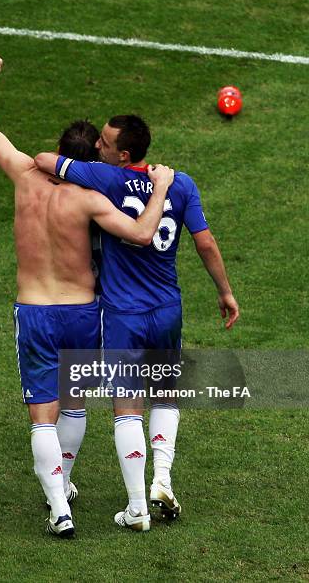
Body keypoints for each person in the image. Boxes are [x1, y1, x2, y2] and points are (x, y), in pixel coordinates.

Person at [0, 57, 175, 538]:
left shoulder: (24, 176)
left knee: (43, 414)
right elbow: (144, 234)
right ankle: (65, 483)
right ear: (88, 161)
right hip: (84, 313)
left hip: (35, 310)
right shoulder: (89, 198)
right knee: (77, 405)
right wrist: (161, 187)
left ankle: (60, 507)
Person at [35, 114, 240, 532]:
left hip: (124, 314)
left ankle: (136, 509)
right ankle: (162, 479)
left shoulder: (104, 180)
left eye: (105, 143)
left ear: (123, 153)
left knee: (126, 409)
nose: (97, 147)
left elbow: (44, 160)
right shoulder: (180, 182)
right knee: (165, 394)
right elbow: (204, 240)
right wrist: (224, 291)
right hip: (168, 308)